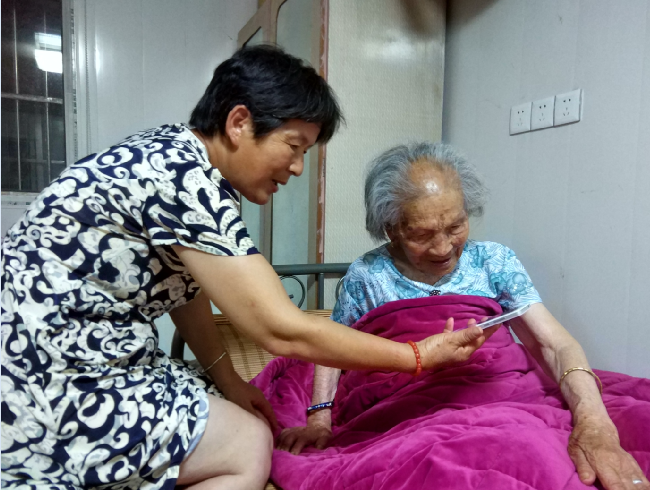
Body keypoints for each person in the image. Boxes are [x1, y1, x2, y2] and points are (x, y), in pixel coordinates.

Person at [1, 46, 495, 490]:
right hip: (43, 374)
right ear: (239, 122)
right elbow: (281, 328)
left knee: (238, 407)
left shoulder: (169, 154)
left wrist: (229, 380)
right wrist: (417, 356)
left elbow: (187, 292)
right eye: (294, 147)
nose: (297, 168)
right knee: (250, 446)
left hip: (51, 350)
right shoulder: (185, 179)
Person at [277, 142, 650, 490]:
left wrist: (594, 422)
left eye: (455, 226)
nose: (443, 248)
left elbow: (554, 344)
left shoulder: (493, 261)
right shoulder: (368, 275)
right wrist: (319, 418)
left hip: (500, 396)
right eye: (422, 235)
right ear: (391, 228)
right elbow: (332, 348)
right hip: (406, 412)